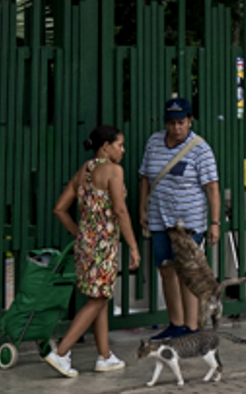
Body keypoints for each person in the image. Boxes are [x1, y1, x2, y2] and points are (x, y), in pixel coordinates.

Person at [44, 124, 140, 378]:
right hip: (105, 245)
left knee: (98, 298)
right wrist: (132, 245)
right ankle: (61, 352)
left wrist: (80, 233)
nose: (123, 150)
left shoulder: (84, 171)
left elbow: (60, 209)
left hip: (85, 244)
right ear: (106, 147)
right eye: (120, 145)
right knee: (98, 298)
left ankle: (105, 356)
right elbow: (120, 211)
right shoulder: (113, 171)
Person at [137, 95, 221, 339]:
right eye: (171, 123)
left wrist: (214, 223)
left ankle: (192, 327)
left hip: (188, 222)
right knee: (166, 269)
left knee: (187, 272)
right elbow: (145, 176)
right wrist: (143, 207)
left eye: (181, 123)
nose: (176, 128)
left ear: (190, 120)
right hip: (159, 218)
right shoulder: (154, 143)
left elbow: (212, 187)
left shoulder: (200, 149)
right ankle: (175, 323)